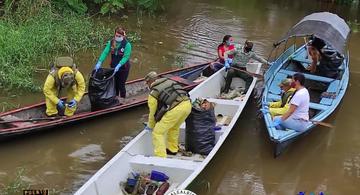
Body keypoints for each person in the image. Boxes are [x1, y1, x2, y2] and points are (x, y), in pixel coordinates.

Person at [144, 71, 192, 158]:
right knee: (174, 128)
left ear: (149, 82)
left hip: (176, 109)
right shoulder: (169, 81)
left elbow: (152, 112)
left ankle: (161, 157)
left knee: (157, 133)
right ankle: (172, 149)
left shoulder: (153, 93)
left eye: (147, 83)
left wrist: (150, 126)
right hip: (188, 105)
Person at [94, 26, 132, 100]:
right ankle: (116, 98)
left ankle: (123, 99)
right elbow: (105, 53)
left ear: (123, 36)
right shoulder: (111, 42)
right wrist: (99, 62)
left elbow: (126, 57)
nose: (117, 37)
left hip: (123, 68)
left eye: (119, 36)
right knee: (115, 85)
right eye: (116, 35)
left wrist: (119, 65)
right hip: (113, 67)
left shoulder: (127, 45)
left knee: (121, 85)